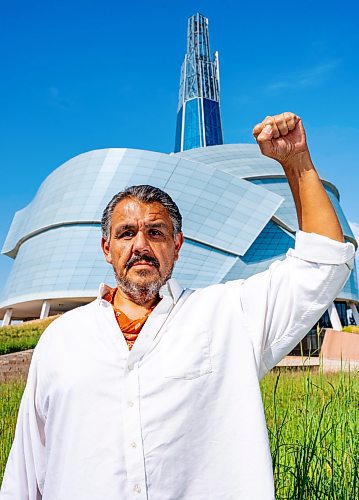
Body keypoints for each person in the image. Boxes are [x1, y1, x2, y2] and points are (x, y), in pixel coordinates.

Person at [0, 112, 355, 500]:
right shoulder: (62, 340)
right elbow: (26, 471)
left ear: (177, 245)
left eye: (156, 232)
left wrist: (296, 162)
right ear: (106, 249)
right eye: (126, 234)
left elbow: (323, 263)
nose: (141, 245)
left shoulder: (228, 315)